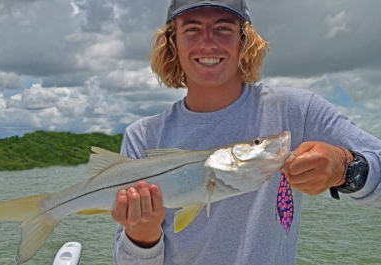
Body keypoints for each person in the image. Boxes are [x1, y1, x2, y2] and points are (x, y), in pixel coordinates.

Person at [111, 0, 381, 264]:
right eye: (192, 29)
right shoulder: (142, 137)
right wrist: (141, 235)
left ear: (245, 40)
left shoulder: (296, 112)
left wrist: (347, 169)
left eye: (223, 28)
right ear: (172, 44)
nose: (208, 42)